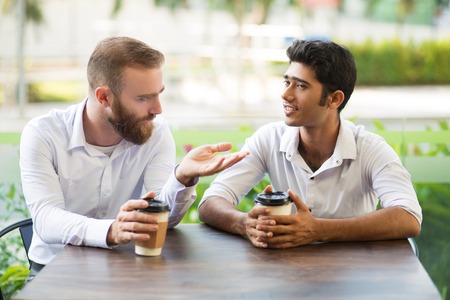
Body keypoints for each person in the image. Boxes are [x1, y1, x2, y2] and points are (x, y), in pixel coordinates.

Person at [19, 36, 248, 279]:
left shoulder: (156, 132)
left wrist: (182, 177)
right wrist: (111, 231)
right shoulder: (43, 134)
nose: (158, 109)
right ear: (104, 97)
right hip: (54, 273)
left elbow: (163, 221)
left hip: (127, 270)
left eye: (158, 94)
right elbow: (46, 219)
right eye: (143, 98)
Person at [198, 39, 422, 249]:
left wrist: (317, 230)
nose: (286, 94)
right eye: (287, 82)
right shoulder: (268, 138)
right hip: (286, 273)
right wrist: (244, 223)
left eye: (301, 86)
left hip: (355, 276)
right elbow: (211, 202)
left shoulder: (370, 148)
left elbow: (408, 217)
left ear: (334, 99)